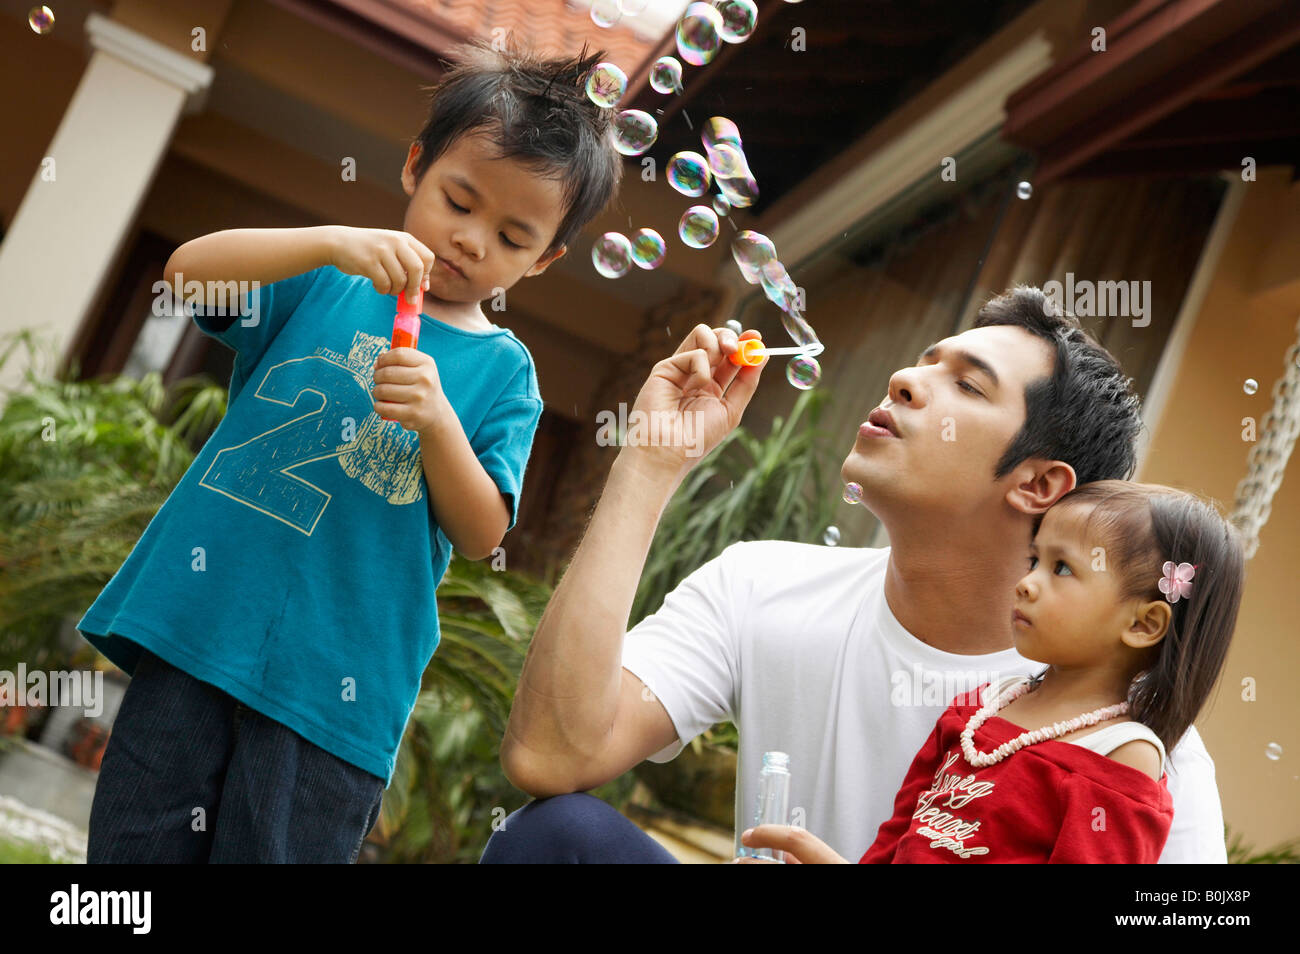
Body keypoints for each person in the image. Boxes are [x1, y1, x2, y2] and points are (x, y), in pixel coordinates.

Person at [78, 41, 623, 863]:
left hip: (335, 694)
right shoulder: (328, 281)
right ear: (415, 167)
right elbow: (188, 276)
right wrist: (327, 242)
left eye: (512, 237)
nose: (472, 241)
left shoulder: (506, 373)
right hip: (201, 628)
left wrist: (440, 424)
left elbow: (483, 534)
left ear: (544, 260)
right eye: (459, 200)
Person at [485, 285, 1230, 864]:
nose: (906, 378)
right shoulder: (761, 583)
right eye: (926, 360)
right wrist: (650, 463)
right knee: (561, 835)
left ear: (1038, 485)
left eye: (968, 386)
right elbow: (551, 755)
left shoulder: (1125, 742)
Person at [859, 481, 1244, 863]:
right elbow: (897, 835)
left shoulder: (1120, 754)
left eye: (1061, 567)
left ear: (1143, 624)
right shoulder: (984, 704)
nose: (1025, 584)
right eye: (1033, 561)